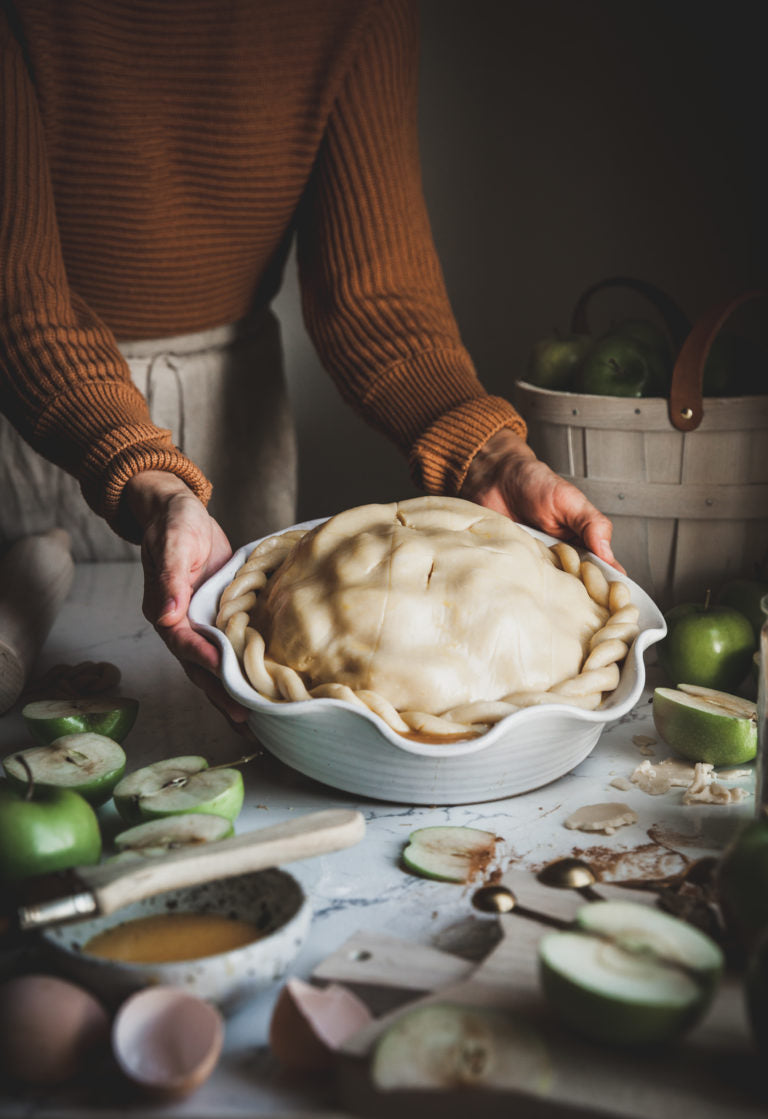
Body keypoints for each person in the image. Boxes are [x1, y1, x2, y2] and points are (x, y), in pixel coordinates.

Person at [1, 0, 619, 728]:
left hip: (234, 409)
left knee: (243, 722)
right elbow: (18, 298)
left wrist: (488, 453)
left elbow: (376, 296)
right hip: (38, 404)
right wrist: (149, 477)